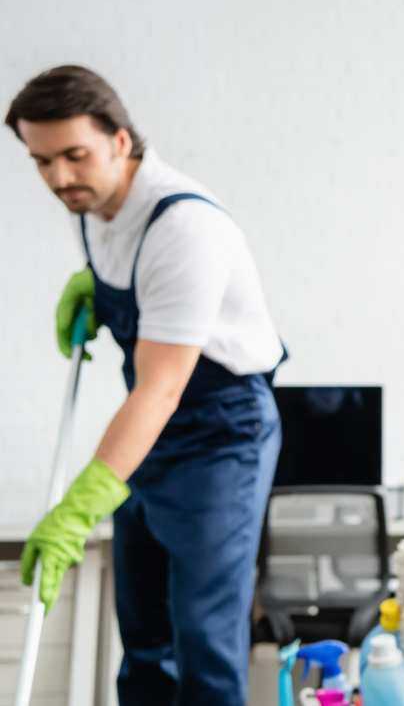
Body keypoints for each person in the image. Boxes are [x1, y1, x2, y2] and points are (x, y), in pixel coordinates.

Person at [7, 66, 285, 704]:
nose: (59, 179)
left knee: (203, 638)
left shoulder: (185, 229)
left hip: (221, 434)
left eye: (75, 156)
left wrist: (77, 510)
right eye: (41, 161)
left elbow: (160, 389)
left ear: (121, 141)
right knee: (144, 631)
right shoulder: (95, 203)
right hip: (152, 434)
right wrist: (97, 293)